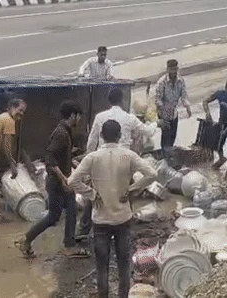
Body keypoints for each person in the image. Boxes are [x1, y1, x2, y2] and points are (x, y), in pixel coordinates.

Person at [68, 120, 158, 298]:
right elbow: (152, 174)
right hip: (123, 218)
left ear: (101, 136)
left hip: (100, 219)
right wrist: (131, 189)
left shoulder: (93, 157)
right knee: (124, 264)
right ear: (119, 136)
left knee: (102, 266)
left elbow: (72, 181)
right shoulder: (127, 155)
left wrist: (92, 194)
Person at [77, 87, 157, 241]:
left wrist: (89, 161)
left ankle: (84, 229)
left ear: (109, 100)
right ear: (122, 100)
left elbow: (91, 142)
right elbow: (148, 132)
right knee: (125, 194)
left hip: (101, 161)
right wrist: (156, 124)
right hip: (123, 161)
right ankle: (124, 227)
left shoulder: (100, 117)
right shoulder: (129, 118)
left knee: (96, 195)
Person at [18, 101, 91, 259]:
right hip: (57, 182)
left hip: (57, 181)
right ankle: (69, 246)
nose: (79, 120)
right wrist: (64, 179)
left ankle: (27, 239)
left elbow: (61, 156)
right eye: (78, 116)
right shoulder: (61, 134)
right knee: (68, 212)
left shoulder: (65, 131)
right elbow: (49, 158)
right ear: (72, 115)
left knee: (55, 216)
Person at [155, 59, 192, 150]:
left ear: (177, 69)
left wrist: (187, 107)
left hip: (174, 112)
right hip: (164, 113)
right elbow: (158, 99)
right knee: (166, 137)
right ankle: (166, 155)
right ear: (167, 69)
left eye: (175, 69)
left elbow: (184, 95)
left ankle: (169, 153)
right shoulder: (162, 82)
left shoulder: (180, 81)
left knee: (173, 136)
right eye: (171, 69)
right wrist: (161, 114)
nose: (173, 72)